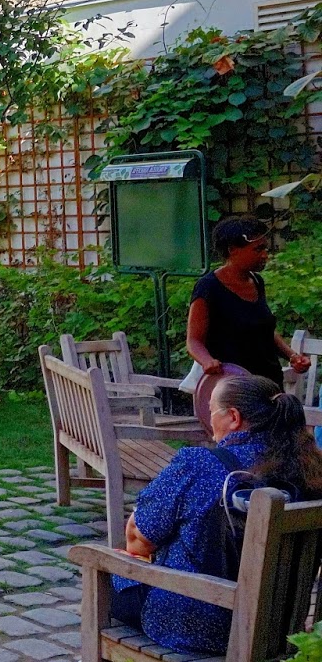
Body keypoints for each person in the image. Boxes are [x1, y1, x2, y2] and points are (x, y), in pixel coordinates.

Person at [112, 374, 322, 655]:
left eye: (211, 411)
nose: (208, 420)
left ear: (233, 417)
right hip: (282, 626)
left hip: (200, 626)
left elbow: (139, 539)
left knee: (109, 574)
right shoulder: (310, 469)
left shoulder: (201, 465)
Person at [186, 216, 308, 388]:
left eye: (265, 248)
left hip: (269, 382)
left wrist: (292, 356)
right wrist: (207, 361)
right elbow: (194, 341)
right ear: (233, 250)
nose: (265, 255)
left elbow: (263, 330)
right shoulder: (208, 287)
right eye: (258, 249)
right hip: (232, 386)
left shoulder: (257, 282)